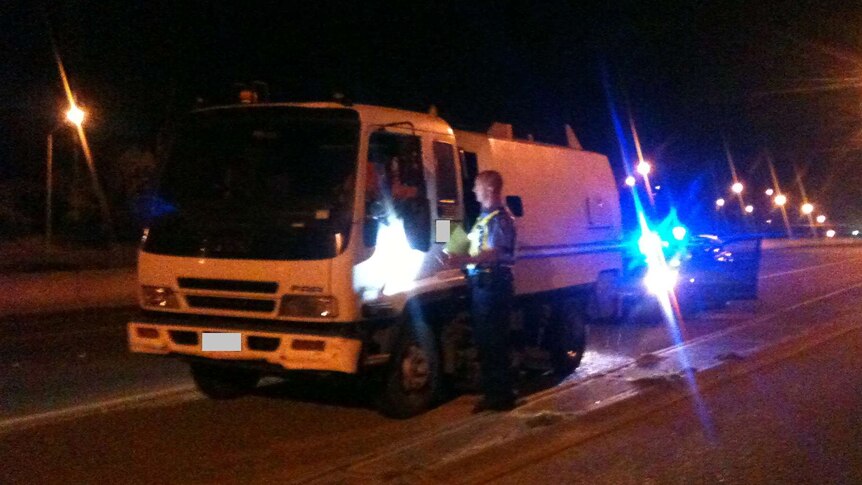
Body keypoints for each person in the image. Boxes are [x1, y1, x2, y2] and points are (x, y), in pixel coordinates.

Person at [442, 170, 518, 412]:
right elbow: (472, 246)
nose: (473, 191)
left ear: (488, 189)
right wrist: (444, 230)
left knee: (493, 341)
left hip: (493, 283)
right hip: (483, 283)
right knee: (486, 341)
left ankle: (500, 397)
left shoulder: (500, 218)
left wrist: (461, 260)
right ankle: (494, 393)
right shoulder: (484, 218)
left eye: (476, 186)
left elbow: (493, 252)